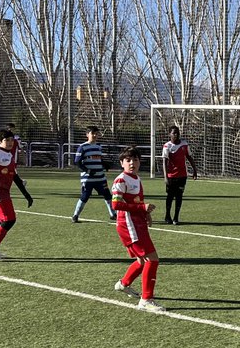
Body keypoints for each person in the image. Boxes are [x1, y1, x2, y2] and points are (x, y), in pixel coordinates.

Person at [112, 146, 165, 312]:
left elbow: (138, 201)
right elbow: (116, 204)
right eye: (128, 160)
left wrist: (146, 214)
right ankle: (146, 300)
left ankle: (124, 284)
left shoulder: (136, 178)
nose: (132, 163)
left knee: (142, 261)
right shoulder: (120, 180)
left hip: (137, 224)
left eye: (135, 160)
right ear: (121, 163)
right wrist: (142, 208)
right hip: (129, 226)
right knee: (152, 259)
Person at [0, 128, 32, 260]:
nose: (10, 143)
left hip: (5, 192)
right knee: (9, 220)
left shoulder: (9, 155)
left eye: (11, 140)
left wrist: (26, 194)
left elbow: (15, 177)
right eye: (6, 140)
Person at [71, 126, 116, 223]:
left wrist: (104, 164)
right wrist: (88, 171)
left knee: (107, 195)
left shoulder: (98, 146)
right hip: (88, 178)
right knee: (85, 196)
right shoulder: (82, 147)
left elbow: (98, 159)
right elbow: (77, 162)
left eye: (96, 133)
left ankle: (113, 214)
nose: (95, 135)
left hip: (100, 177)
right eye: (93, 133)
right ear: (87, 135)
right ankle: (75, 215)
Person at [161, 125, 198, 224]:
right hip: (171, 176)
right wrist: (165, 177)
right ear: (169, 134)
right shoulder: (167, 146)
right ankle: (167, 215)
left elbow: (189, 157)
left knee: (179, 196)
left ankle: (176, 217)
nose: (176, 134)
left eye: (177, 132)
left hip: (182, 176)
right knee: (170, 196)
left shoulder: (184, 144)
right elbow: (164, 162)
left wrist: (194, 170)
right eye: (174, 133)